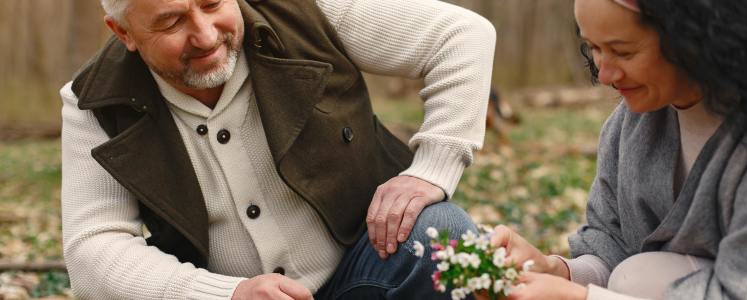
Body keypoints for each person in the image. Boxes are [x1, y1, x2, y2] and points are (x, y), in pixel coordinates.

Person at [59, 0, 495, 299]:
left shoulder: (305, 11)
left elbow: (462, 35)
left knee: (441, 230)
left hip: (367, 271)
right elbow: (92, 251)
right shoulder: (94, 103)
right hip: (227, 293)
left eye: (213, 3)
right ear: (123, 31)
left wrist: (432, 167)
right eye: (172, 22)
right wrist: (227, 294)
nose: (206, 35)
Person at [474, 0, 747, 299]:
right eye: (594, 48)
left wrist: (581, 298)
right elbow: (613, 245)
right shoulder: (629, 126)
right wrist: (553, 270)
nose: (605, 75)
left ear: (693, 37)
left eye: (623, 52)